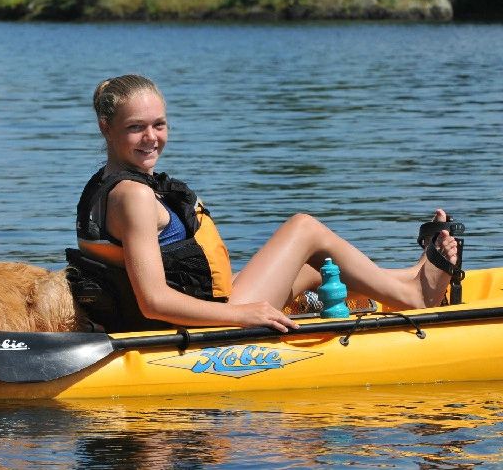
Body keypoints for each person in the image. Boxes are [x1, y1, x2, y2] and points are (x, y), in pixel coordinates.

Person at [66, 74, 461, 334]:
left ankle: (410, 277)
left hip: (203, 302)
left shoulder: (106, 184)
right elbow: (154, 302)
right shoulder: (132, 196)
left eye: (159, 124)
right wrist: (244, 314)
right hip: (197, 323)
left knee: (312, 268)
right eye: (136, 127)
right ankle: (417, 296)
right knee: (303, 227)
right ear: (106, 126)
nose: (151, 137)